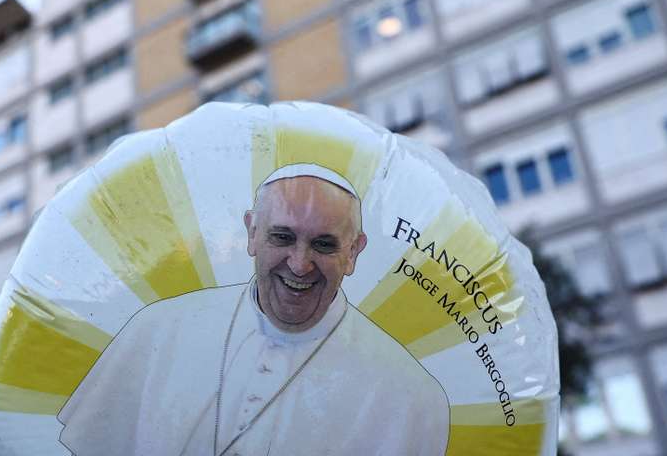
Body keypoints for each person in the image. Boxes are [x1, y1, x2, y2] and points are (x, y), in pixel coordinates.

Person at [56, 163, 451, 455]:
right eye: (282, 237)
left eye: (324, 245)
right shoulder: (157, 329)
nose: (299, 264)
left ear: (354, 252)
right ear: (252, 233)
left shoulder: (411, 394)